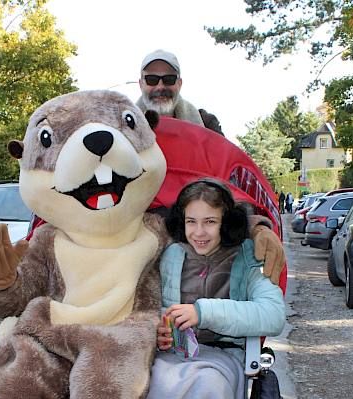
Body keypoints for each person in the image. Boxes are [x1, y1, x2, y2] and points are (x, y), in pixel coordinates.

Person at [147, 178, 286, 399]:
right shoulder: (169, 254)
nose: (199, 233)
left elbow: (274, 315)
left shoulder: (249, 256)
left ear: (227, 223)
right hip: (169, 357)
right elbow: (145, 308)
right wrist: (158, 328)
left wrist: (202, 313)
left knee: (208, 386)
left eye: (210, 222)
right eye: (191, 221)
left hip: (222, 358)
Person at [136, 49, 224, 135]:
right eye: (151, 79)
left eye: (169, 79)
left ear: (179, 83)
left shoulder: (208, 125)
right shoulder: (123, 127)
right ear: (141, 84)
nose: (160, 87)